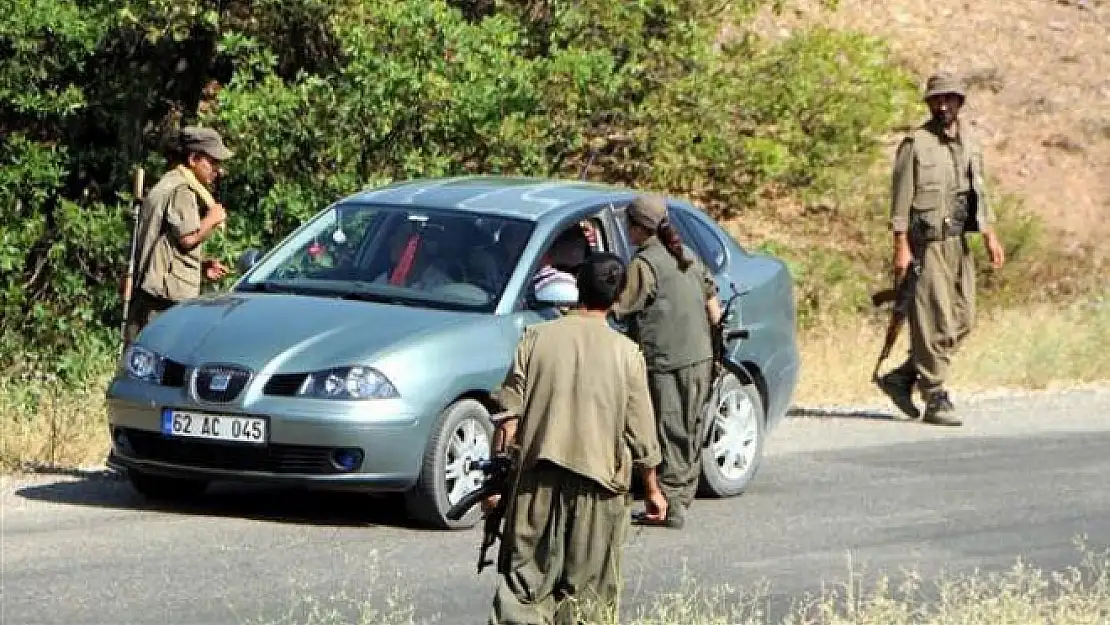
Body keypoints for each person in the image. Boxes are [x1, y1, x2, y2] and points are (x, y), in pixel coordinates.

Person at [485, 253, 667, 625]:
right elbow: (642, 435)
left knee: (523, 593)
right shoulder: (626, 353)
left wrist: (495, 485)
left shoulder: (535, 339)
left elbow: (507, 419)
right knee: (589, 601)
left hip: (536, 485)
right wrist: (653, 490)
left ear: (576, 288)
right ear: (618, 297)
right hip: (598, 492)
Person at [878, 72, 1006, 426]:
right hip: (927, 245)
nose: (943, 105)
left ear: (960, 102)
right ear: (929, 103)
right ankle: (935, 395)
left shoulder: (970, 141)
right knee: (933, 320)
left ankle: (903, 377)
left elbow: (978, 192)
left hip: (959, 243)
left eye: (949, 99)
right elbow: (900, 202)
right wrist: (901, 247)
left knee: (964, 319)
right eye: (937, 99)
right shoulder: (915, 144)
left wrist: (990, 235)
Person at [610, 193, 721, 530]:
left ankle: (670, 507)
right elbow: (713, 306)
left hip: (667, 361)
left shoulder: (644, 265)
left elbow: (619, 308)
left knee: (669, 429)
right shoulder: (685, 254)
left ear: (637, 227)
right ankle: (682, 494)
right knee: (689, 428)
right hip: (699, 356)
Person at [124, 126, 233, 346]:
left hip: (151, 294)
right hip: (164, 300)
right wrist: (212, 218)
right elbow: (188, 239)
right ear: (193, 159)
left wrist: (201, 267)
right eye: (212, 162)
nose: (217, 170)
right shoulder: (182, 190)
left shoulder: (167, 182)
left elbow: (167, 245)